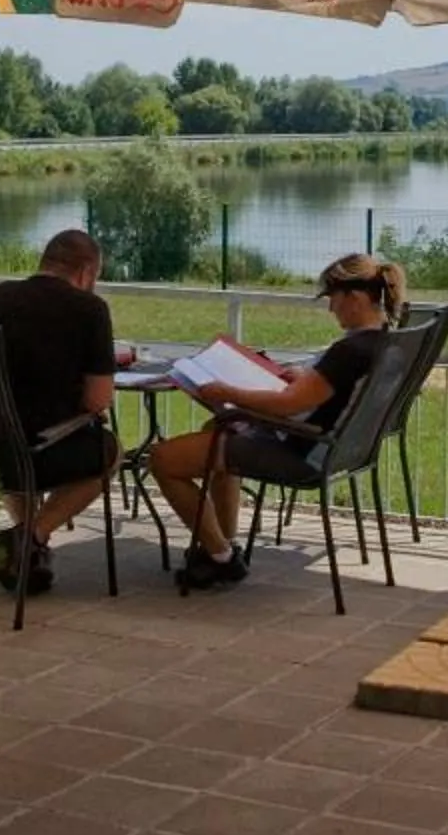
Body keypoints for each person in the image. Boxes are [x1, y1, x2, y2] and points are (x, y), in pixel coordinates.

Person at [148, 250, 404, 592]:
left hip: (300, 453)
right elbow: (319, 393)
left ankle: (222, 557)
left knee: (163, 459)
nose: (331, 309)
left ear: (355, 298)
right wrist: (302, 376)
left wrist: (228, 391)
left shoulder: (350, 352)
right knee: (217, 431)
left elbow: (287, 406)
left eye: (333, 299)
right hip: (337, 451)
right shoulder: (387, 340)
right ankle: (220, 545)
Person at [0, 229, 120, 594]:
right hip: (37, 454)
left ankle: (26, 553)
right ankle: (32, 535)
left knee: (10, 430)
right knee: (108, 451)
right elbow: (98, 400)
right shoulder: (90, 310)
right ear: (87, 272)